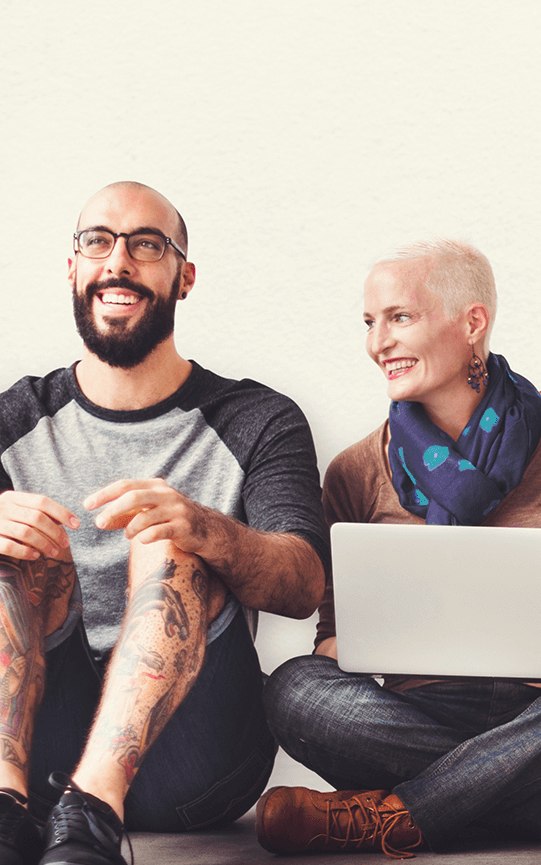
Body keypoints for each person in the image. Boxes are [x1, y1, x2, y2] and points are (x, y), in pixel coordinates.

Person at [254, 240, 541, 857]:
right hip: (420, 717)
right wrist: (372, 634)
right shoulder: (354, 471)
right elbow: (329, 644)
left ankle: (403, 810)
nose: (377, 342)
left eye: (399, 317)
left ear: (472, 323)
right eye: (369, 322)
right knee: (294, 689)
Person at [0, 182, 326, 865]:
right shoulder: (14, 419)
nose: (118, 261)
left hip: (197, 759)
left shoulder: (258, 419)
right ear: (73, 267)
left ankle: (93, 811)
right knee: (12, 544)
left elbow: (303, 584)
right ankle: (4, 813)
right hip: (39, 753)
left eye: (148, 244)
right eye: (99, 241)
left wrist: (207, 529)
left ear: (185, 275)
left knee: (174, 540)